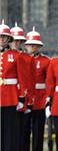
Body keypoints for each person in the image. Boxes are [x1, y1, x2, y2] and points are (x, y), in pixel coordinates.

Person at [0, 21, 30, 151]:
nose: (1, 39)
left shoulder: (17, 56)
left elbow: (23, 79)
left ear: (8, 39)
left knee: (10, 132)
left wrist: (21, 98)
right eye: (0, 36)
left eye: (4, 37)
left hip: (10, 98)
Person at [10, 23, 36, 151]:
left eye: (19, 41)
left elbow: (30, 81)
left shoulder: (27, 58)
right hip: (7, 97)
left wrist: (28, 101)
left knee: (22, 132)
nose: (16, 43)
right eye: (14, 40)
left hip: (21, 99)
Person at [25, 27, 51, 151]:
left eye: (34, 45)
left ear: (39, 46)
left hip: (40, 100)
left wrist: (47, 98)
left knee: (38, 132)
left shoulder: (45, 61)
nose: (32, 47)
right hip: (24, 99)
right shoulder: (21, 58)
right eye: (30, 44)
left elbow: (49, 81)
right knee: (23, 130)